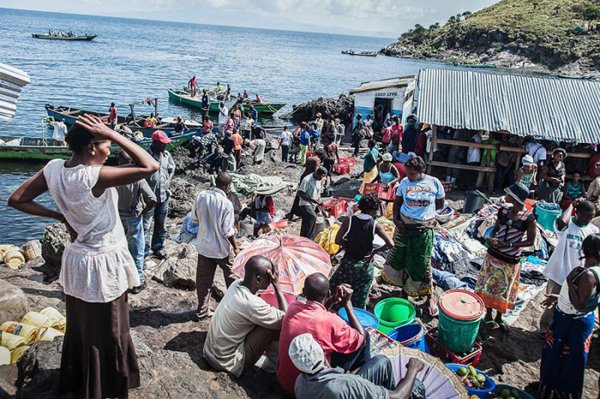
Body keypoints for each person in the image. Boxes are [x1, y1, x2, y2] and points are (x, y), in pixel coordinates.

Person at [8, 114, 159, 398]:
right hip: (103, 262)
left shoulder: (54, 170)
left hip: (78, 262)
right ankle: (106, 386)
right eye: (105, 146)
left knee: (82, 329)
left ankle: (80, 378)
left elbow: (16, 199)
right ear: (92, 146)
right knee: (112, 327)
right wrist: (114, 134)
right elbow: (150, 165)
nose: (109, 152)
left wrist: (59, 214)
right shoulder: (95, 176)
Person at [276, 274, 368, 396]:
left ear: (303, 292)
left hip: (285, 381)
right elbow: (361, 339)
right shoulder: (331, 321)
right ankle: (363, 378)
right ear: (328, 292)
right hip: (311, 390)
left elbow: (316, 312)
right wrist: (348, 304)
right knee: (366, 335)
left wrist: (332, 300)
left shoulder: (293, 308)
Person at [204, 255, 287, 378]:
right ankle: (272, 368)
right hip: (227, 362)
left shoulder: (236, 285)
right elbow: (287, 320)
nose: (271, 280)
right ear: (257, 280)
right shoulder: (251, 304)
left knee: (267, 319)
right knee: (275, 327)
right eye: (269, 278)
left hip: (210, 352)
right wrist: (277, 287)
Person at [539, 234, 600, 399]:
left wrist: (569, 279)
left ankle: (554, 392)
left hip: (571, 323)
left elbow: (579, 303)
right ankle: (557, 390)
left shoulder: (588, 275)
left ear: (586, 250)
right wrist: (559, 297)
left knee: (562, 358)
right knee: (569, 359)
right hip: (578, 320)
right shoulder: (592, 272)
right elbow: (586, 300)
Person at [382, 156, 445, 317]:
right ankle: (404, 292)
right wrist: (396, 220)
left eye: (411, 174)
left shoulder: (433, 183)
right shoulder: (404, 183)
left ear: (420, 172)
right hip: (404, 226)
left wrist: (425, 215)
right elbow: (397, 202)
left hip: (423, 229)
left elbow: (440, 203)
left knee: (422, 262)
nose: (409, 176)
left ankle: (430, 295)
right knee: (402, 258)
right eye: (408, 173)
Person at [475, 182, 536, 332]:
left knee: (504, 288)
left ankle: (499, 317)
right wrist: (492, 238)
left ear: (515, 198)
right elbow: (496, 229)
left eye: (509, 195)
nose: (506, 196)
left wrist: (508, 245)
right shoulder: (503, 211)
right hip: (494, 255)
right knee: (490, 285)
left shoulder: (528, 218)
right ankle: (488, 315)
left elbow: (530, 241)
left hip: (510, 259)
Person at [289, 333, 425, 399]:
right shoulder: (346, 385)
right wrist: (413, 369)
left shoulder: (299, 384)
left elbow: (345, 384)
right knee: (416, 387)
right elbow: (399, 396)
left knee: (380, 362)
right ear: (321, 353)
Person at [540, 199, 598, 331]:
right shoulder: (567, 225)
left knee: (570, 306)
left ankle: (560, 331)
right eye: (586, 216)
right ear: (577, 212)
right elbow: (561, 223)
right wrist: (572, 204)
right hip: (559, 274)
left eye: (592, 217)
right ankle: (544, 330)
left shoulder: (593, 230)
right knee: (552, 305)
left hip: (579, 277)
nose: (589, 219)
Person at [330, 194, 394, 309]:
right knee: (360, 297)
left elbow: (337, 240)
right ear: (372, 210)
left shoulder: (348, 221)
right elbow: (390, 244)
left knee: (336, 288)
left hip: (348, 264)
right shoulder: (375, 225)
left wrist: (347, 246)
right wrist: (374, 251)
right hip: (365, 265)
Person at [193, 172, 240, 320]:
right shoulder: (226, 204)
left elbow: (194, 217)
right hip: (221, 249)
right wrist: (236, 247)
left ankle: (202, 311)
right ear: (227, 186)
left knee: (203, 281)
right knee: (232, 280)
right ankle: (234, 311)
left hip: (204, 246)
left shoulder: (201, 196)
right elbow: (227, 231)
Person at [116, 151, 157, 294]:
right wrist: (144, 212)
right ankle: (137, 282)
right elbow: (152, 199)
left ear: (119, 161)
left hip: (116, 219)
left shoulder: (113, 177)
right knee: (137, 251)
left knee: (120, 250)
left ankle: (122, 279)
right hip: (133, 217)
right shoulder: (137, 178)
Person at [144, 130, 175, 259]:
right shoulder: (145, 155)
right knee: (146, 225)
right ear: (155, 143)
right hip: (149, 197)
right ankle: (144, 252)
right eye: (162, 144)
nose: (165, 146)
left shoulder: (166, 155)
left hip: (163, 196)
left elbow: (172, 168)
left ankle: (158, 247)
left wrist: (168, 180)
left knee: (161, 224)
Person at [298, 167, 327, 239]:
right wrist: (312, 200)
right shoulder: (307, 180)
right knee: (312, 217)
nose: (322, 178)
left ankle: (303, 237)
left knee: (307, 221)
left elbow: (318, 192)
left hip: (314, 203)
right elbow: (300, 193)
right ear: (317, 173)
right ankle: (309, 238)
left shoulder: (320, 180)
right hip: (305, 202)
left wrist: (319, 201)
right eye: (322, 176)